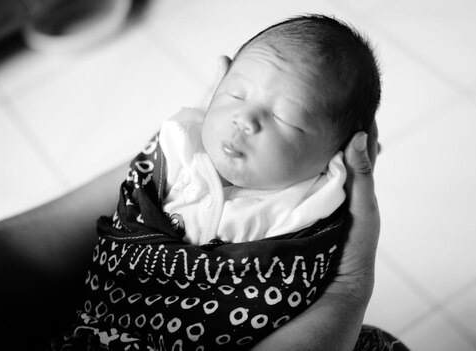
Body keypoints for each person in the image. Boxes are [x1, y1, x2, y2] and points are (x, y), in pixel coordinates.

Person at [48, 14, 385, 351]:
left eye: (285, 117)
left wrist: (348, 291)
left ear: (334, 155)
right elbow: (134, 200)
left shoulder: (306, 206)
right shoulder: (181, 148)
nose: (245, 119)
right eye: (236, 94)